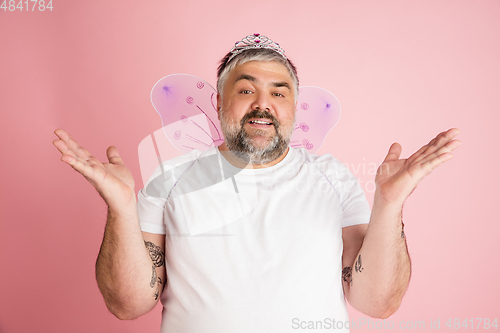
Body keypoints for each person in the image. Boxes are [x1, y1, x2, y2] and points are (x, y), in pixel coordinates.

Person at [53, 34, 461, 332]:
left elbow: (378, 303)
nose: (263, 104)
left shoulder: (333, 177)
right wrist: (122, 209)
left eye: (278, 93)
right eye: (246, 89)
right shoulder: (171, 177)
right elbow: (127, 305)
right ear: (218, 101)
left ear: (293, 108)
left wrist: (389, 204)